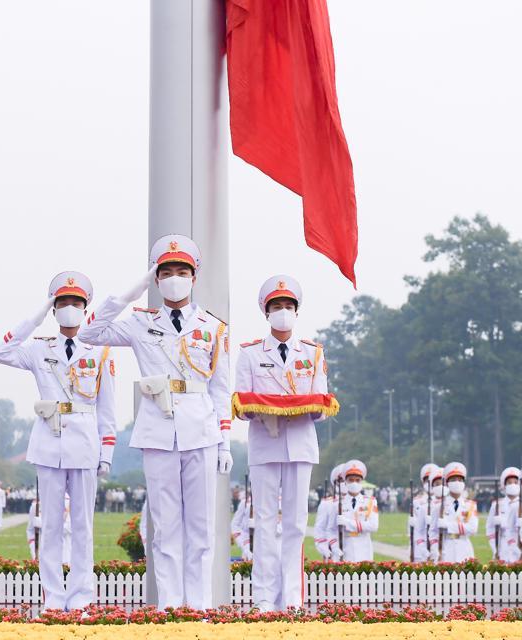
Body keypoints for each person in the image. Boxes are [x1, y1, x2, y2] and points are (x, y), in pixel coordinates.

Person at [78, 234, 231, 609]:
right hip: (158, 430)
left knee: (201, 525)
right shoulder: (139, 322)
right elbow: (88, 332)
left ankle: (198, 606)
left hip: (200, 428)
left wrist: (225, 440)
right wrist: (132, 292)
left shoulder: (212, 327)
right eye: (166, 272)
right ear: (156, 278)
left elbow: (221, 388)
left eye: (182, 271)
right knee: (164, 525)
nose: (174, 278)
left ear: (194, 278)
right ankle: (169, 604)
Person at [0, 270, 117, 611]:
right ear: (54, 308)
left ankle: (80, 597)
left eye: (76, 302)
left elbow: (107, 408)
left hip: (85, 444)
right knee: (50, 526)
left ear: (85, 306)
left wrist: (107, 450)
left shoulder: (100, 351)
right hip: (48, 442)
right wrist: (35, 316)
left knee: (82, 527)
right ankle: (52, 598)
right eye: (62, 302)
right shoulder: (38, 348)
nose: (70, 308)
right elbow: (0, 351)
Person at [232, 275, 329, 611]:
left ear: (296, 312)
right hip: (265, 443)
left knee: (295, 524)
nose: (283, 312)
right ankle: (263, 598)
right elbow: (242, 404)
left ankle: (292, 596)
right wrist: (267, 411)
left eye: (288, 306)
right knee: (265, 523)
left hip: (301, 443)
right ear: (267, 312)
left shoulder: (313, 353)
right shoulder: (249, 354)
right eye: (277, 307)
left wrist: (303, 408)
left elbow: (321, 404)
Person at [429, 461, 477, 563]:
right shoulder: (438, 507)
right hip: (446, 547)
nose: (457, 483)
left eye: (460, 480)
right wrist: (435, 549)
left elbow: (472, 528)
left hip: (464, 548)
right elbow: (433, 531)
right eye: (453, 480)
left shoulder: (470, 505)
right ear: (447, 483)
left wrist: (448, 526)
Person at [486, 466, 521, 563]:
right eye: (509, 483)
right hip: (503, 545)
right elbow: (490, 529)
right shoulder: (497, 505)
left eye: (515, 482)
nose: (512, 485)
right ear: (504, 485)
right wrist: (495, 548)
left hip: (519, 544)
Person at [27, 494, 72, 562]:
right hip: (43, 554)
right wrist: (34, 552)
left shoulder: (69, 501)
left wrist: (43, 524)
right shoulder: (36, 504)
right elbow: (30, 531)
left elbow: (68, 528)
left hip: (65, 555)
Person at [313, 464, 343, 561]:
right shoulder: (327, 503)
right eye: (341, 481)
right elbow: (320, 529)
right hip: (333, 551)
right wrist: (325, 549)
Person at [409, 463, 437, 563]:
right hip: (421, 546)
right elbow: (414, 531)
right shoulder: (417, 502)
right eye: (426, 480)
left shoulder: (445, 502)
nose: (429, 482)